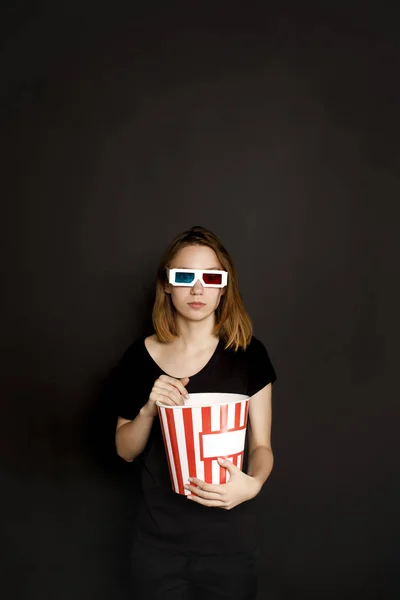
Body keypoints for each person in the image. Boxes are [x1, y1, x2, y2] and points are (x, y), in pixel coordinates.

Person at [113, 225, 277, 600]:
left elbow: (262, 447)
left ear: (224, 287)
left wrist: (253, 484)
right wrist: (150, 409)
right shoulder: (138, 359)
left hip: (229, 546)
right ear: (167, 285)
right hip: (157, 544)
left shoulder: (249, 355)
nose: (198, 289)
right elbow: (125, 450)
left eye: (211, 277)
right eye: (185, 276)